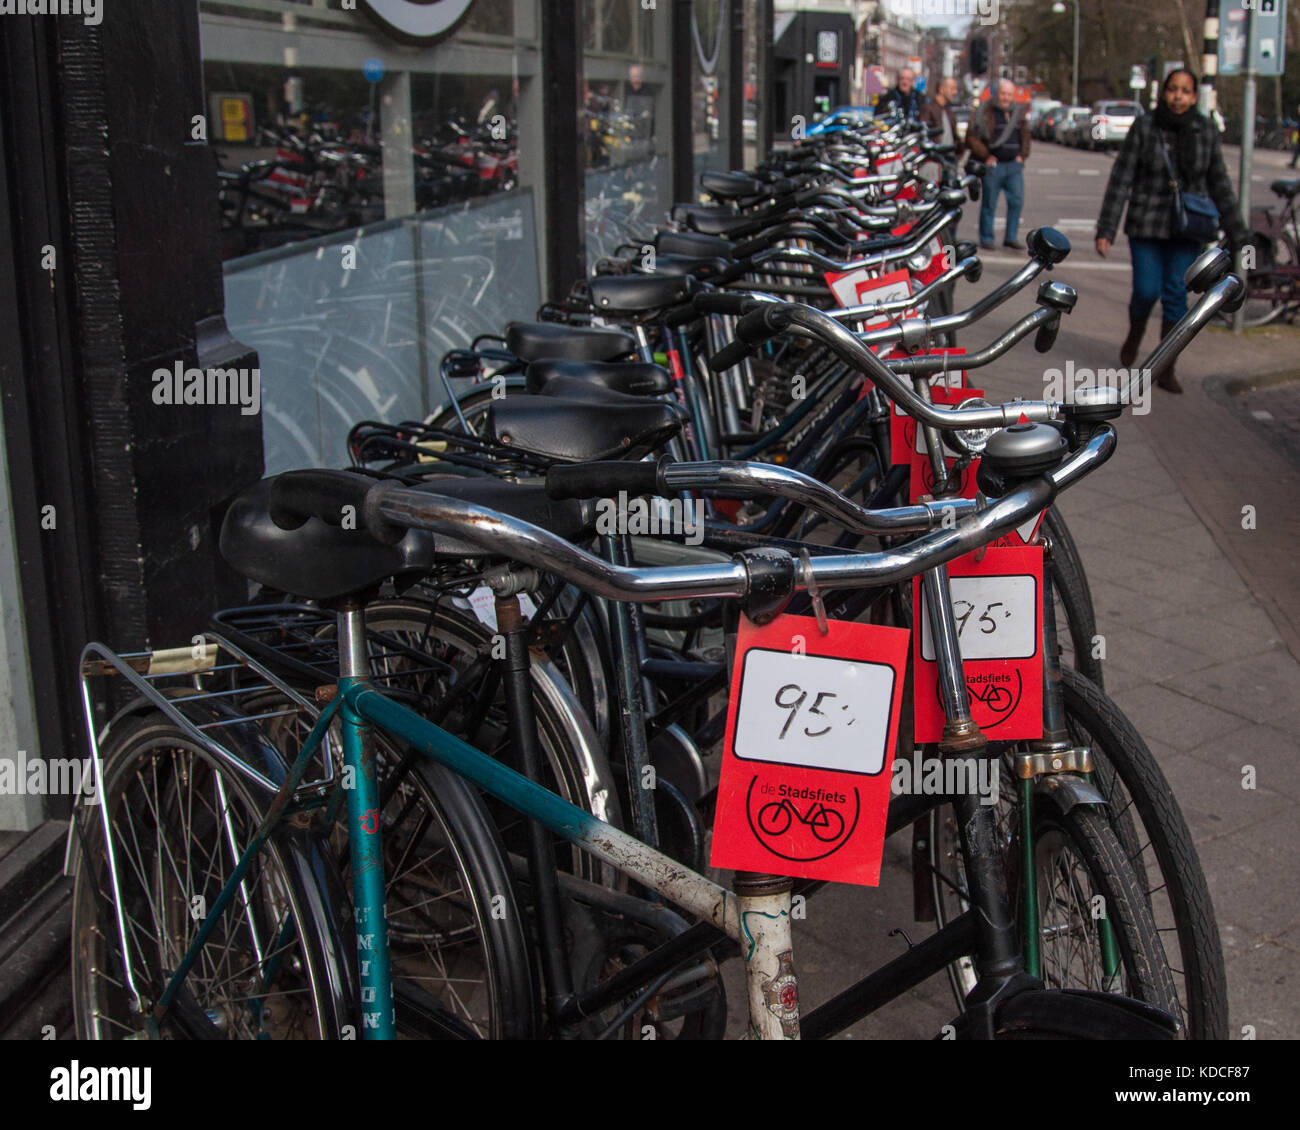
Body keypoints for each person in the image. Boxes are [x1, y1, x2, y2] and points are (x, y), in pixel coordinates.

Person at [1096, 68, 1247, 394]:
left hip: (1187, 229)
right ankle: (1135, 334)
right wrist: (1105, 228)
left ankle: (1165, 366)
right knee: (1147, 290)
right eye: (1173, 90)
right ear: (1164, 92)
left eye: (1185, 91)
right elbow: (1122, 177)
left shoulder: (1203, 130)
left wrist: (1237, 230)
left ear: (1194, 97)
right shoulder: (1146, 126)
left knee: (1177, 296)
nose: (1178, 96)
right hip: (1146, 225)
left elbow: (1218, 181)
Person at [966, 79, 1030, 251]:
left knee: (1017, 201)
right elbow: (971, 137)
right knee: (989, 203)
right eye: (1003, 94)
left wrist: (1022, 156)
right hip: (994, 166)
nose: (1005, 98)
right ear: (997, 94)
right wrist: (986, 155)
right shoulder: (985, 111)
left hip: (1013, 165)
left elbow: (1025, 136)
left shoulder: (1018, 113)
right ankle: (987, 238)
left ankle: (1011, 237)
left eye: (1009, 94)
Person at [919, 76, 966, 158]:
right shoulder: (929, 108)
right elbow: (923, 134)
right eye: (952, 88)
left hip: (949, 159)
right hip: (936, 159)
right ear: (941, 89)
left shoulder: (949, 111)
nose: (955, 92)